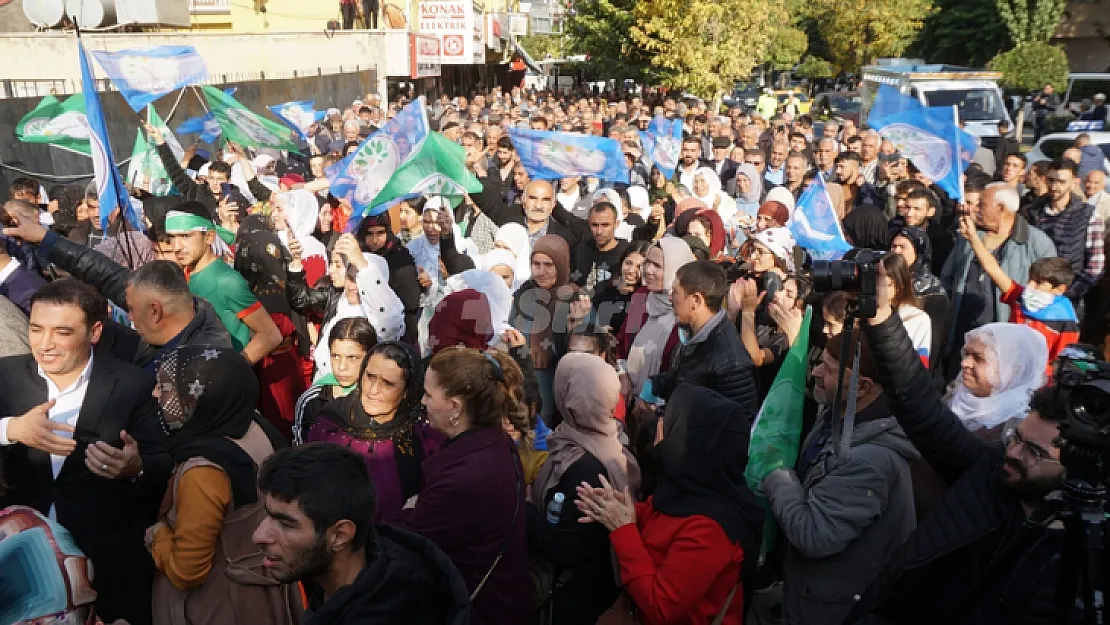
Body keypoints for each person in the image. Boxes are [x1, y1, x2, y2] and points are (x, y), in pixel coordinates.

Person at [848, 269, 1073, 625]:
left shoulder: (1077, 555)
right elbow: (922, 410)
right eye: (1016, 439)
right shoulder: (993, 472)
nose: (1013, 453)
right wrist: (881, 319)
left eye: (1036, 453)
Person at [0, 280, 172, 625]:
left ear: (94, 331)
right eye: (36, 329)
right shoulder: (3, 376)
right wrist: (10, 430)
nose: (44, 344)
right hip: (17, 565)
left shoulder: (131, 384)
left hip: (106, 563)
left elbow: (163, 460)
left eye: (62, 332)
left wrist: (135, 467)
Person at [765, 329, 919, 625]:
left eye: (830, 369)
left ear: (862, 387)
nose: (815, 372)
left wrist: (777, 474)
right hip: (812, 591)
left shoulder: (869, 461)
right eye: (821, 362)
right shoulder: (837, 413)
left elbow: (814, 534)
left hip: (831, 606)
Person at [576, 382, 763, 625]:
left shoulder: (709, 529)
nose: (659, 426)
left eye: (670, 419)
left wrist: (623, 530)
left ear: (691, 440)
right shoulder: (686, 488)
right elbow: (660, 518)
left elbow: (661, 607)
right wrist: (620, 509)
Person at [146, 346, 300, 624]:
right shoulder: (254, 425)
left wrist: (156, 536)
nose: (156, 394)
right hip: (264, 595)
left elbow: (186, 571)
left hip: (220, 605)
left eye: (166, 387)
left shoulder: (203, 472)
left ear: (198, 399)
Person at [253, 443, 471, 625]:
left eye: (285, 524)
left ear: (339, 536)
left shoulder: (396, 610)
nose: (259, 536)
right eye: (268, 516)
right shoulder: (381, 566)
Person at [394, 347, 531, 625]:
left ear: (455, 406)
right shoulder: (493, 441)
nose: (422, 401)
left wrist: (411, 509)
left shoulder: (469, 476)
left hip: (478, 611)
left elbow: (406, 547)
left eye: (429, 394)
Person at [528, 353, 641, 625]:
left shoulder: (585, 468)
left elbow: (566, 547)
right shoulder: (611, 435)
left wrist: (526, 510)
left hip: (578, 596)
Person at [306, 341, 444, 521]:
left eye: (388, 383)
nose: (373, 390)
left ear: (406, 391)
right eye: (370, 376)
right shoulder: (330, 423)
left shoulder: (423, 432)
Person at [943, 183, 1056, 379]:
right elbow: (949, 276)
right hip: (961, 335)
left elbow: (1045, 297)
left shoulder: (1036, 243)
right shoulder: (969, 235)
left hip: (1003, 342)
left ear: (1001, 208)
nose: (975, 209)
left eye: (982, 205)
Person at [162, 201, 284, 363]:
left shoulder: (226, 282)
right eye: (172, 237)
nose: (176, 247)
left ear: (209, 237)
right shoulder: (184, 273)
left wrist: (230, 371)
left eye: (186, 236)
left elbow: (270, 335)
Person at [647, 260, 759, 415]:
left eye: (675, 292)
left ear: (696, 300)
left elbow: (737, 425)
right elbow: (683, 378)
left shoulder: (731, 363)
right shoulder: (692, 333)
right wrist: (653, 386)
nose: (670, 298)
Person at [510, 234, 584, 426]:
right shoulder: (523, 294)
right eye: (536, 264)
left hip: (555, 389)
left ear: (561, 264)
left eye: (549, 265)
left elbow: (584, 356)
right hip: (520, 384)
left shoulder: (575, 300)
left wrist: (575, 329)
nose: (541, 272)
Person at [618, 237, 696, 400]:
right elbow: (623, 342)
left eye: (658, 266)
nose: (648, 271)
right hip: (627, 396)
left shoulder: (686, 312)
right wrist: (623, 375)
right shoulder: (641, 298)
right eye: (648, 262)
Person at [1024, 159, 1101, 300]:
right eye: (1051, 180)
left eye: (1061, 182)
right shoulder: (1031, 212)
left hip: (1069, 295)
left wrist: (1069, 294)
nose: (1054, 186)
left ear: (1074, 182)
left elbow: (1095, 265)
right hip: (1031, 291)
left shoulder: (1088, 214)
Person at [294, 317, 377, 445]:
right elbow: (301, 450)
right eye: (336, 356)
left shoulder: (379, 400)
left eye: (352, 358)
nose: (341, 367)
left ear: (370, 357)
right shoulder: (312, 400)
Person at [356, 213, 422, 343]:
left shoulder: (399, 256)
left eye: (380, 233)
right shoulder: (358, 257)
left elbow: (411, 300)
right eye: (369, 234)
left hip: (397, 332)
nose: (375, 240)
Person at [881, 253, 933, 368]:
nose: (879, 290)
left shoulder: (918, 319)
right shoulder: (866, 314)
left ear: (899, 287)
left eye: (886, 285)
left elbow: (921, 364)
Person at [592, 239, 650, 334]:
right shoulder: (603, 288)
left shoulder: (646, 299)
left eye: (639, 267)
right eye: (628, 263)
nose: (631, 270)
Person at [574, 201, 630, 291]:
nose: (599, 231)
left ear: (616, 224)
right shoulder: (583, 249)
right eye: (594, 225)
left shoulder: (626, 255)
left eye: (605, 225)